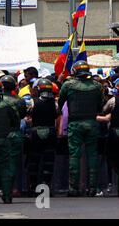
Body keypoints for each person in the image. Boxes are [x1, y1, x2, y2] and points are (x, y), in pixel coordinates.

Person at [58, 61, 103, 197]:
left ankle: (73, 188)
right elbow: (100, 106)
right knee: (92, 155)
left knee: (74, 156)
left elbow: (61, 102)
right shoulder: (97, 86)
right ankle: (93, 187)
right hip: (91, 123)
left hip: (75, 124)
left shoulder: (68, 85)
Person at [26, 78, 58, 195]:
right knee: (48, 161)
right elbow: (56, 115)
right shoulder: (54, 103)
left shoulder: (32, 102)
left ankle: (33, 186)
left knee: (34, 160)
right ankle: (46, 186)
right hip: (50, 132)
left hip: (36, 132)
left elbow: (27, 113)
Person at [0, 75, 26, 196]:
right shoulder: (19, 100)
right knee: (15, 163)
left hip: (0, 134)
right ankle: (15, 188)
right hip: (15, 133)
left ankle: (0, 188)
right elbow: (22, 115)